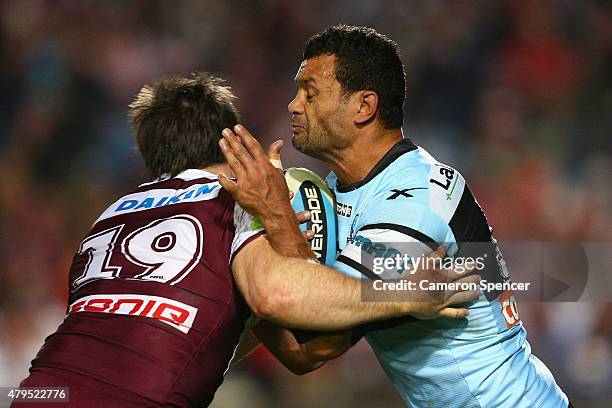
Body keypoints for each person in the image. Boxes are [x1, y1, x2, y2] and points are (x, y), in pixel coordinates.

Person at [14, 72, 480, 408]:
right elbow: (283, 303)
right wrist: (404, 290)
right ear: (231, 142)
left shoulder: (106, 219)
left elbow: (190, 331)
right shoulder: (233, 198)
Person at [218, 25, 571, 408]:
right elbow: (301, 313)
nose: (293, 105)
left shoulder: (414, 204)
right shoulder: (342, 188)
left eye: (310, 93)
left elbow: (312, 348)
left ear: (364, 107)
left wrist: (265, 220)